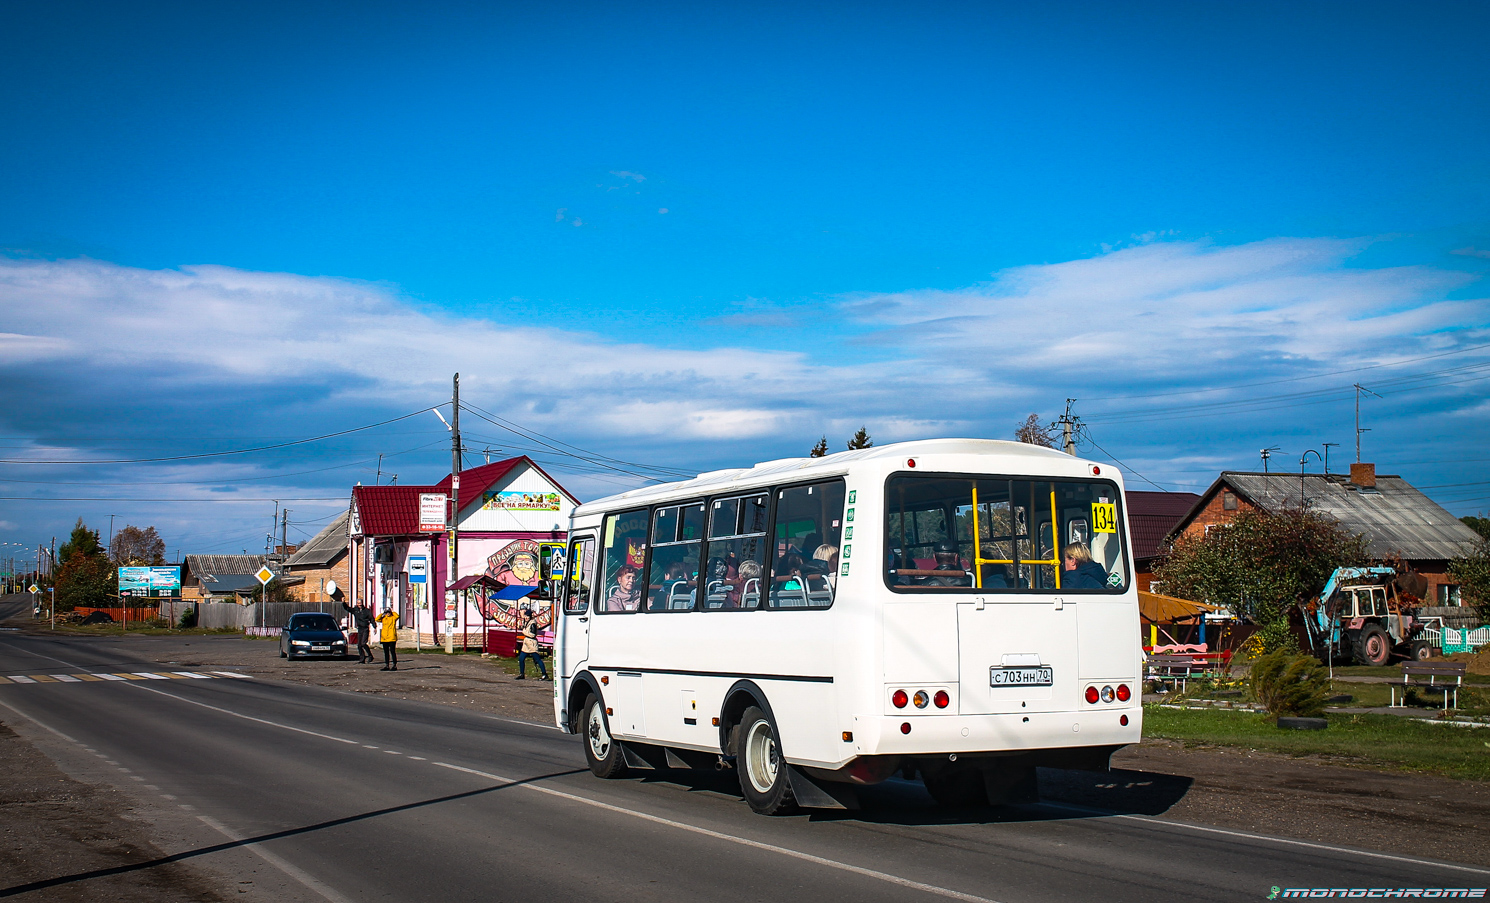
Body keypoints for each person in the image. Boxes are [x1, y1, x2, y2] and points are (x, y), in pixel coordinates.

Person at [515, 607, 548, 680]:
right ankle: (521, 674)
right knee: (521, 659)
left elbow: (533, 634)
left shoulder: (533, 624)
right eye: (525, 616)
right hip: (526, 644)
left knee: (537, 659)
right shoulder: (527, 623)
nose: (526, 618)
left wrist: (524, 632)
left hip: (532, 643)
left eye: (527, 616)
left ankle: (544, 674)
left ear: (530, 616)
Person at [342, 597, 374, 664]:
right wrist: (343, 603)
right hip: (360, 628)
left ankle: (370, 656)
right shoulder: (355, 610)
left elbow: (371, 618)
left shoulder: (366, 611)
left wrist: (375, 626)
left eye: (360, 603)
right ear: (357, 604)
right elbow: (347, 608)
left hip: (365, 628)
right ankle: (362, 659)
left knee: (363, 643)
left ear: (362, 603)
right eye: (358, 603)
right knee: (359, 645)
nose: (359, 604)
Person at [375, 606, 400, 671]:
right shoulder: (384, 618)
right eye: (386, 612)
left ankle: (394, 665)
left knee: (392, 651)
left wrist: (392, 611)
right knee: (386, 652)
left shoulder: (393, 617)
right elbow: (377, 619)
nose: (388, 613)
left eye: (388, 612)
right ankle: (387, 665)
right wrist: (382, 614)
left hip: (392, 637)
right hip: (384, 637)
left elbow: (397, 616)